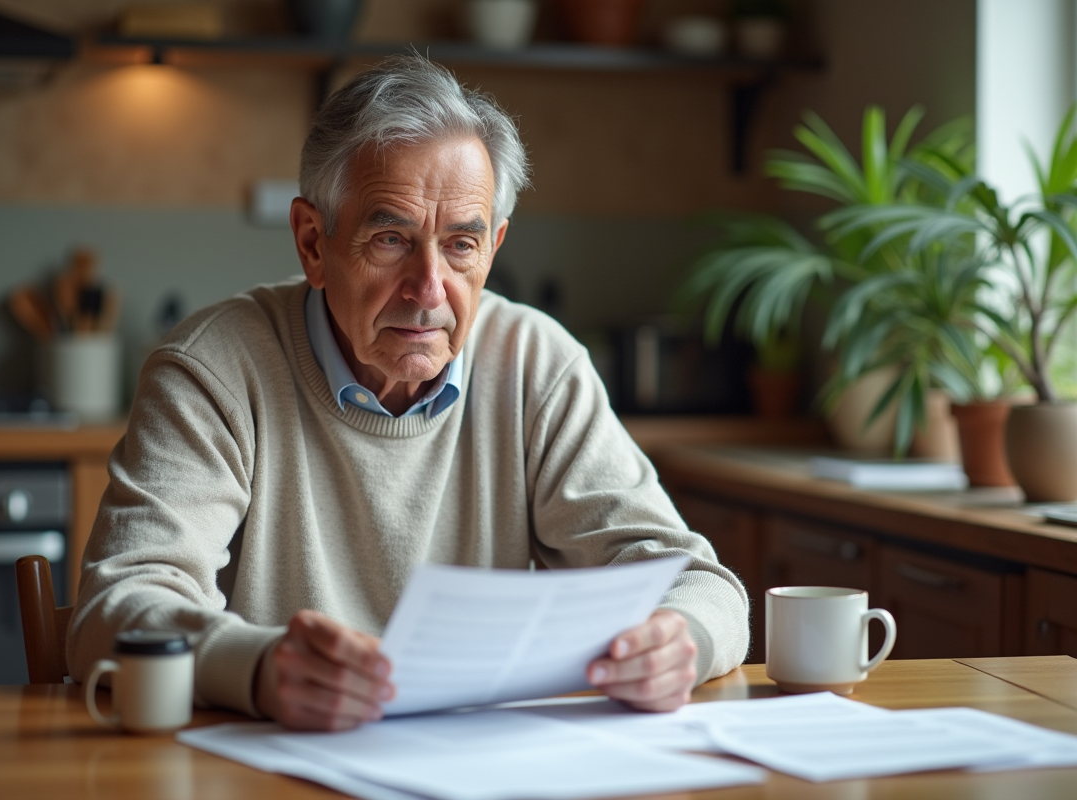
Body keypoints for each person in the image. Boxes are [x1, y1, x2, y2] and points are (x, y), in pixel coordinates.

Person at [68, 54, 748, 732]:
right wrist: (260, 667)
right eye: (391, 238)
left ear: (494, 246)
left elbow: (703, 585)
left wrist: (678, 638)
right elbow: (116, 608)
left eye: (461, 246)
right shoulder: (212, 370)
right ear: (312, 241)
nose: (428, 289)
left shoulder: (536, 363)